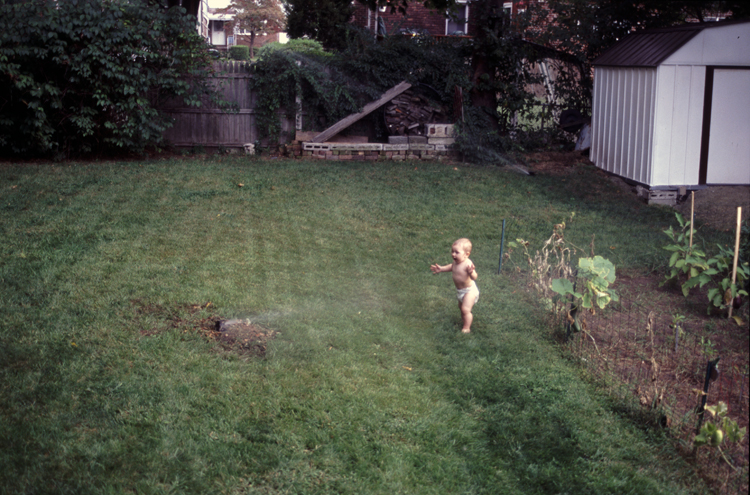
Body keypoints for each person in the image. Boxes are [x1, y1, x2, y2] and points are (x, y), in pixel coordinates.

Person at [430, 238, 479, 334]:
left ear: (466, 254)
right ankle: (464, 319)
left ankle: (466, 327)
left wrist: (471, 272)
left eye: (457, 252)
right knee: (461, 307)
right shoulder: (456, 262)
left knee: (465, 309)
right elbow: (451, 267)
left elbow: (475, 277)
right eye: (452, 251)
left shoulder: (468, 264)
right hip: (460, 291)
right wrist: (441, 269)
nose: (453, 254)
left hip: (470, 291)